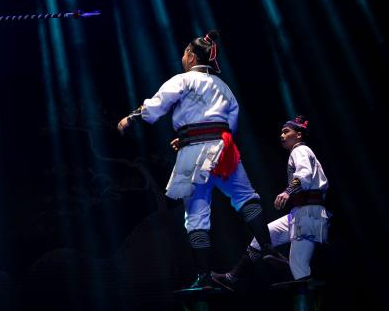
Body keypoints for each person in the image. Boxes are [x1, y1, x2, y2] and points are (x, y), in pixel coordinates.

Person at [117, 31, 277, 289]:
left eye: (184, 53)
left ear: (191, 56)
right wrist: (191, 135)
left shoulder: (183, 80)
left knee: (197, 214)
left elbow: (158, 105)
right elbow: (231, 121)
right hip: (223, 149)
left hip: (194, 154)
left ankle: (203, 276)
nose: (183, 57)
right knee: (246, 197)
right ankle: (269, 248)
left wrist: (132, 117)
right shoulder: (223, 86)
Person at [213, 116, 329, 289]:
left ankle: (307, 301)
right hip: (299, 213)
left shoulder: (300, 150)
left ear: (298, 135)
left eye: (286, 132)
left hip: (309, 214)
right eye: (281, 132)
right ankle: (233, 276)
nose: (282, 135)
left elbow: (304, 174)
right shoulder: (298, 152)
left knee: (299, 265)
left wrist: (288, 191)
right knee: (262, 238)